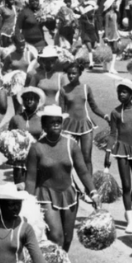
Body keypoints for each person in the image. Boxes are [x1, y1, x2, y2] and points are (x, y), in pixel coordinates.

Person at [24, 106, 98, 252]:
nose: (56, 124)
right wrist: (27, 202)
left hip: (69, 194)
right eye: (52, 122)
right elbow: (31, 179)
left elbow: (82, 171)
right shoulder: (36, 148)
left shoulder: (71, 144)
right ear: (44, 126)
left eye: (59, 121)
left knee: (68, 238)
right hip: (45, 195)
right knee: (56, 236)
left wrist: (93, 192)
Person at [100, 81, 132, 233]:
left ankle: (128, 204)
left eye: (124, 92)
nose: (121, 94)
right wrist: (108, 152)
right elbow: (113, 134)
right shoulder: (115, 112)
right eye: (119, 92)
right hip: (121, 150)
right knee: (127, 185)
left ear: (131, 94)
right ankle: (130, 220)